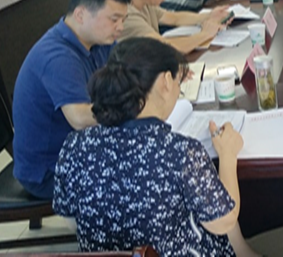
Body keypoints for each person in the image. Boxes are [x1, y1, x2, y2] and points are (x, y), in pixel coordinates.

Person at [53, 38, 260, 256]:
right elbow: (223, 221)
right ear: (165, 81)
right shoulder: (181, 152)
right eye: (179, 85)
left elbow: (71, 220)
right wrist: (227, 155)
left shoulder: (74, 145)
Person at [12, 0, 131, 199]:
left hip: (80, 148)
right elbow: (80, 118)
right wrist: (134, 108)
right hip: (49, 170)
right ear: (80, 15)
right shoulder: (57, 56)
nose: (121, 27)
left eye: (124, 20)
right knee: (141, 176)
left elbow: (127, 70)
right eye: (114, 19)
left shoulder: (97, 40)